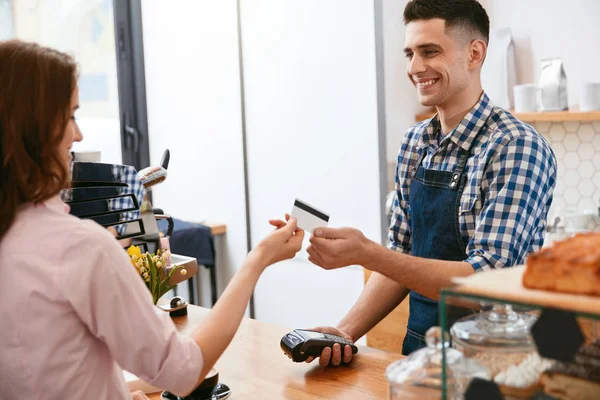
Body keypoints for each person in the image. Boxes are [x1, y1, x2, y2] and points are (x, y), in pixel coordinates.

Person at [0, 40, 304, 399]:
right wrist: (258, 259)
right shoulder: (79, 248)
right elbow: (183, 370)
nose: (77, 135)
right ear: (34, 129)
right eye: (70, 116)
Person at [274, 0, 557, 361]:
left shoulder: (516, 147)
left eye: (429, 51)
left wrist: (368, 254)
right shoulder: (415, 143)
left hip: (493, 366)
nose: (414, 67)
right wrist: (346, 332)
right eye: (409, 53)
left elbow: (485, 284)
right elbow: (403, 258)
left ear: (474, 54)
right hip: (420, 359)